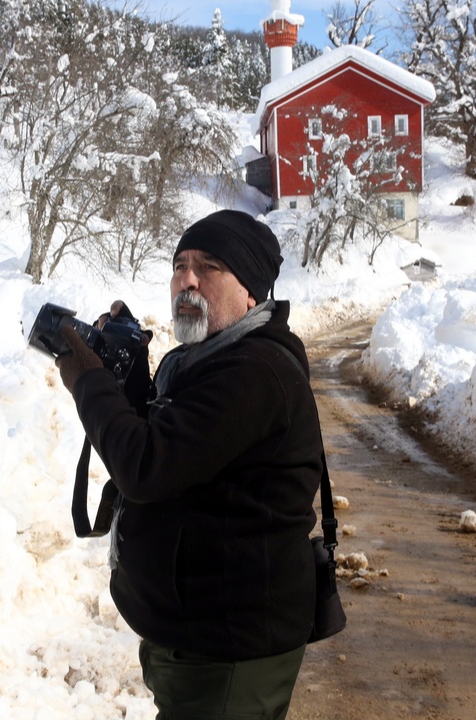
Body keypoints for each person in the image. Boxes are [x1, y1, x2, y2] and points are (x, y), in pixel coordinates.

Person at [55, 209, 325, 719]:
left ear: (251, 291)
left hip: (229, 648)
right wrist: (130, 375)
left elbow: (146, 468)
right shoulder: (206, 362)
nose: (188, 279)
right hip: (200, 635)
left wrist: (89, 384)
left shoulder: (253, 372)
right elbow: (175, 452)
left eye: (209, 266)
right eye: (179, 265)